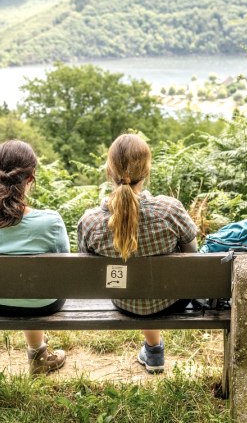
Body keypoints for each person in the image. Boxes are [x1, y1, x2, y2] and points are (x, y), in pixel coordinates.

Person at [77, 133, 198, 374]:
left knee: (130, 282)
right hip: (170, 300)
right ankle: (153, 349)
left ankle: (154, 350)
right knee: (154, 285)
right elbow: (191, 256)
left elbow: (88, 267)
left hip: (123, 300)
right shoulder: (170, 210)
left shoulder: (90, 222)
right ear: (147, 170)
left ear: (109, 171)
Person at [0, 140, 69, 375]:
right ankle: (38, 355)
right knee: (32, 287)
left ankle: (39, 354)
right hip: (45, 305)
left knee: (20, 288)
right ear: (31, 178)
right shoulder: (51, 221)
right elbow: (64, 267)